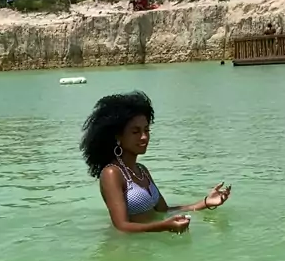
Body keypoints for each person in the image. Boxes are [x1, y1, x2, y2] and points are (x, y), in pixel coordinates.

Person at [80, 92, 231, 234]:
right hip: (128, 248)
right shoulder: (112, 173)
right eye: (135, 132)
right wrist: (164, 226)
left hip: (148, 245)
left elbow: (164, 211)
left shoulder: (142, 170)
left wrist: (206, 202)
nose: (144, 137)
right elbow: (122, 226)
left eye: (146, 130)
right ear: (118, 136)